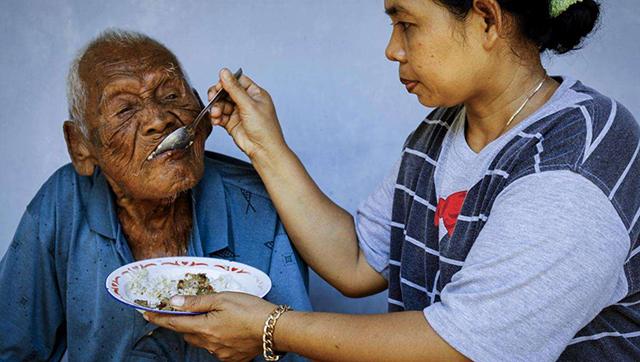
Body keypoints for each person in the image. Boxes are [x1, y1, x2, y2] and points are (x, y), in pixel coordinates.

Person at [145, 0, 640, 361]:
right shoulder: (440, 131)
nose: (391, 49)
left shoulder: (575, 163)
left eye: (406, 23)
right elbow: (358, 260)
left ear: (486, 19)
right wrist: (264, 145)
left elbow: (464, 348)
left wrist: (271, 327)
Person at [0, 29, 311, 361]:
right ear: (80, 146)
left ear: (204, 120)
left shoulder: (262, 204)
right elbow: (11, 347)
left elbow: (293, 348)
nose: (159, 119)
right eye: (124, 110)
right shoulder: (61, 206)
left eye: (172, 97)